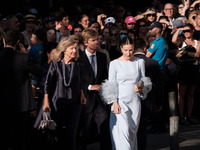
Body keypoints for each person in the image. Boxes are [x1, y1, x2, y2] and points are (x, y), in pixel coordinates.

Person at [106, 36, 152, 150]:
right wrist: (114, 102)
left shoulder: (139, 62)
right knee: (123, 133)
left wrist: (141, 87)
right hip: (120, 102)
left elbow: (144, 80)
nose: (128, 52)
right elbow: (111, 84)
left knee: (132, 133)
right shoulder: (114, 63)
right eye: (125, 50)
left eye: (131, 50)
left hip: (135, 102)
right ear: (121, 48)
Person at [0, 29, 41, 150]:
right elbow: (38, 70)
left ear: (3, 40)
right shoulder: (23, 58)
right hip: (20, 107)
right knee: (20, 140)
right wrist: (25, 53)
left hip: (2, 106)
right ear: (18, 42)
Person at [43, 37, 84, 150]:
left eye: (75, 48)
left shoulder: (77, 64)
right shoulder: (55, 64)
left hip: (74, 103)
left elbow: (80, 82)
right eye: (71, 48)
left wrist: (82, 94)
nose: (74, 51)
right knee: (58, 132)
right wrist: (46, 102)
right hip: (58, 102)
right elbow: (47, 84)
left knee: (72, 132)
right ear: (64, 49)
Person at [79, 28, 111, 150]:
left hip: (99, 102)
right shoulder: (79, 58)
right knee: (83, 134)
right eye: (93, 40)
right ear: (86, 42)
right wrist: (89, 87)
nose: (97, 42)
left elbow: (105, 77)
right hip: (85, 101)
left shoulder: (102, 57)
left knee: (104, 131)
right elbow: (76, 81)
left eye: (98, 39)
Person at [133, 38, 163, 149]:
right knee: (142, 128)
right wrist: (159, 102)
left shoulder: (129, 62)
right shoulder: (153, 63)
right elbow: (159, 85)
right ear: (145, 48)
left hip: (131, 99)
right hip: (149, 100)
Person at [172, 23, 200, 125]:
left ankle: (189, 115)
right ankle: (181, 116)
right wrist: (180, 29)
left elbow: (198, 55)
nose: (186, 33)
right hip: (184, 68)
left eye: (188, 30)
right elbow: (173, 40)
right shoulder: (181, 41)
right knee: (182, 94)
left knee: (191, 93)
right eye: (185, 31)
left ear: (193, 31)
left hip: (194, 68)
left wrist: (185, 53)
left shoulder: (197, 42)